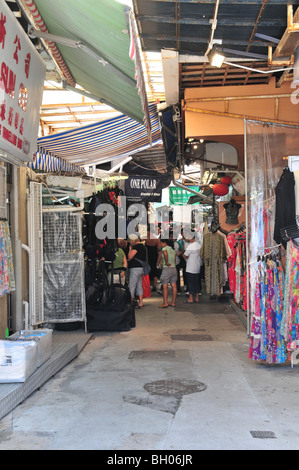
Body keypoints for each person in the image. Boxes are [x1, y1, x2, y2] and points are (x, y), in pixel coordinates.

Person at [127, 234, 147, 309]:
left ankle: (131, 303)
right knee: (139, 286)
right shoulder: (143, 246)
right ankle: (141, 303)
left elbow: (130, 256)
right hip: (141, 268)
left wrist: (130, 249)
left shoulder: (136, 247)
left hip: (135, 268)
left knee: (132, 286)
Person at [158, 239, 177, 308]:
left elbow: (165, 253)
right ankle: (173, 302)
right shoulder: (172, 250)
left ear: (164, 243)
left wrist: (166, 262)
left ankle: (165, 303)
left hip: (167, 268)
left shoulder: (164, 248)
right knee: (174, 285)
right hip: (174, 268)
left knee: (165, 285)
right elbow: (174, 260)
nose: (160, 244)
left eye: (160, 243)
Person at [184, 235, 202, 304]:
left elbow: (185, 255)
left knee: (190, 283)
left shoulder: (191, 246)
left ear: (193, 238)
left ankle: (190, 298)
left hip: (190, 268)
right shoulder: (199, 246)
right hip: (197, 267)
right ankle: (197, 298)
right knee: (196, 283)